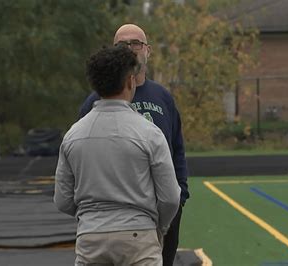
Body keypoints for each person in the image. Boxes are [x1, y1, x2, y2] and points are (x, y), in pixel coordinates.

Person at [54, 46, 180, 265]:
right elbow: (170, 197)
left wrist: (92, 218)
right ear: (130, 81)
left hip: (91, 237)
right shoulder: (149, 133)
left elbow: (63, 200)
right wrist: (159, 226)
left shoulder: (73, 135)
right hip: (138, 236)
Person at [78, 24, 189, 266]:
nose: (130, 50)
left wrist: (180, 195)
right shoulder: (94, 102)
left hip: (164, 209)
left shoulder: (162, 97)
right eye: (122, 45)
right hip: (118, 216)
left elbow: (177, 149)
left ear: (148, 50)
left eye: (136, 43)